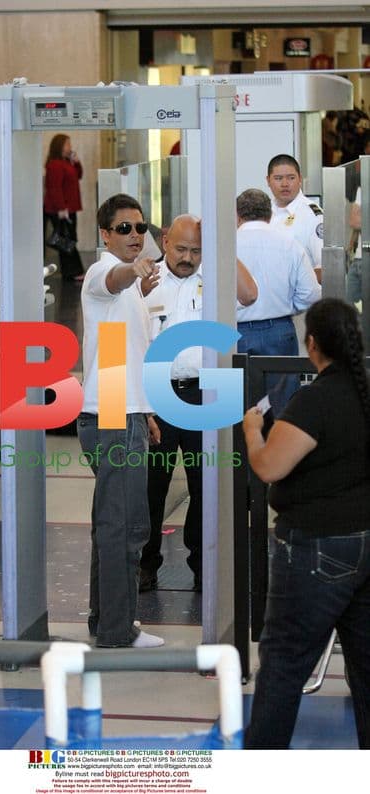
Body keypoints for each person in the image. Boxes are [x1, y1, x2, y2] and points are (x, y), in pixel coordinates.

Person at [242, 297, 370, 749]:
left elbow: (270, 467)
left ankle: (261, 769)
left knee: (283, 664)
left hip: (317, 549)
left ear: (311, 344)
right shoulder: (363, 392)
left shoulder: (313, 401)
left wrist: (253, 433)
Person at [140, 214, 258, 593]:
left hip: (210, 390)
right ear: (163, 242)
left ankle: (204, 564)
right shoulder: (144, 281)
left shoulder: (217, 278)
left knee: (208, 484)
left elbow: (250, 295)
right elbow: (118, 341)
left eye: (197, 249)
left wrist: (222, 242)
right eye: (181, 248)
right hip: (153, 394)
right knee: (148, 486)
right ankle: (144, 564)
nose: (188, 257)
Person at [77, 193, 163, 648]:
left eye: (140, 227)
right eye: (124, 228)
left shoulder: (130, 292)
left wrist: (143, 411)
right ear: (106, 234)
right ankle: (116, 629)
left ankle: (106, 622)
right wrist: (134, 270)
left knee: (115, 524)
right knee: (125, 527)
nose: (135, 235)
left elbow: (122, 356)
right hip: (111, 412)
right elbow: (112, 277)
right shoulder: (101, 272)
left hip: (119, 406)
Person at [236, 188, 321, 411]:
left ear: (237, 216)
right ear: (270, 214)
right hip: (280, 331)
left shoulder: (226, 246)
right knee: (283, 407)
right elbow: (311, 293)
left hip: (234, 332)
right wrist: (287, 308)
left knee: (238, 407)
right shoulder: (289, 243)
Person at [267, 154, 323, 283]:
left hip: (298, 300)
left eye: (291, 178)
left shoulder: (313, 216)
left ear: (300, 180)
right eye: (278, 178)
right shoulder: (264, 211)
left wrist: (288, 283)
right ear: (268, 181)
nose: (285, 184)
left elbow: (324, 269)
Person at [44, 134, 85, 282]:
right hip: (61, 209)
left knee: (68, 239)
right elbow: (54, 188)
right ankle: (73, 271)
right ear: (60, 146)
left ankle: (72, 271)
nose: (70, 147)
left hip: (69, 208)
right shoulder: (55, 165)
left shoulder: (66, 163)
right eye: (67, 144)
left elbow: (78, 175)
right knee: (67, 239)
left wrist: (77, 162)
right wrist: (61, 208)